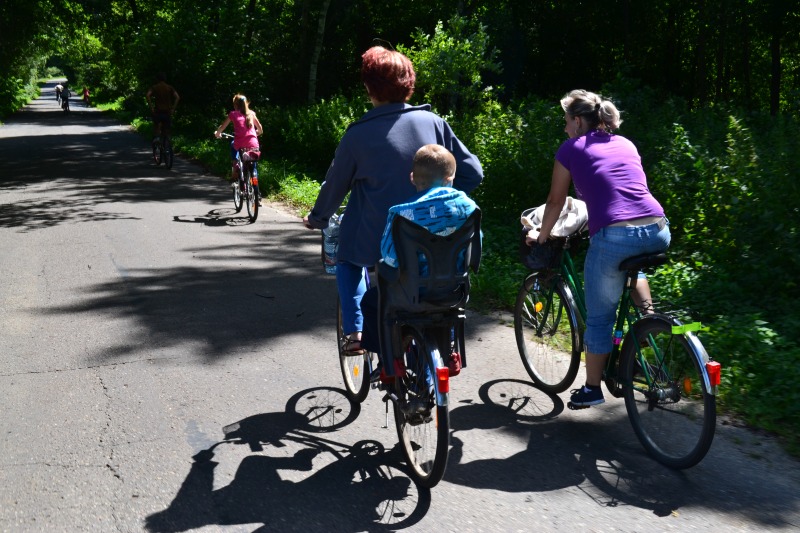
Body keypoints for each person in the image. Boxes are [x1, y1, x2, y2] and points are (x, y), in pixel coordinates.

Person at [302, 45, 483, 356]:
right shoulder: (434, 123)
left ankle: (356, 332)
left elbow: (335, 186)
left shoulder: (358, 134)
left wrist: (317, 218)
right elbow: (473, 173)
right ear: (408, 84)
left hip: (378, 242)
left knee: (346, 259)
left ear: (369, 87)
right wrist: (441, 198)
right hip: (435, 241)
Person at [535, 89, 671, 407]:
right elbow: (621, 191)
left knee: (599, 319)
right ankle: (646, 325)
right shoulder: (626, 143)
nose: (565, 128)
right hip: (658, 229)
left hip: (615, 237)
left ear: (579, 121)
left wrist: (543, 236)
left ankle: (592, 389)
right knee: (627, 267)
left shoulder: (571, 148)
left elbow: (555, 201)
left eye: (567, 121)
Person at [358, 144, 480, 357]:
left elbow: (390, 257)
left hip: (410, 295)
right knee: (444, 312)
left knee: (370, 302)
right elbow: (475, 247)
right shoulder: (469, 208)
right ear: (451, 178)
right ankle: (449, 352)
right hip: (454, 292)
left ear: (412, 177)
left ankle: (388, 363)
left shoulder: (401, 213)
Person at [214, 94, 264, 204]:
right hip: (254, 144)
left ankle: (235, 163)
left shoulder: (233, 114)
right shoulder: (252, 114)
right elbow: (260, 130)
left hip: (240, 144)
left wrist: (218, 133)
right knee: (253, 167)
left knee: (233, 144)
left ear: (235, 105)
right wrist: (253, 134)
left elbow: (222, 127)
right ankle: (256, 190)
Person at [146, 73, 180, 143]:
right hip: (167, 112)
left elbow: (147, 95)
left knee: (157, 126)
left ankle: (157, 139)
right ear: (165, 79)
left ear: (157, 79)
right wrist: (173, 109)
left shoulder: (155, 87)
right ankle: (167, 144)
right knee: (166, 129)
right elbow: (177, 97)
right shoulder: (170, 87)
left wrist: (151, 107)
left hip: (158, 111)